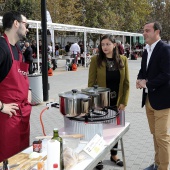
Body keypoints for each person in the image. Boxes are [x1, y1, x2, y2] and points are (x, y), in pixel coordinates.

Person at [88, 34, 130, 169]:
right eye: (102, 44)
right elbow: (91, 83)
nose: (105, 47)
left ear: (114, 45)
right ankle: (98, 157)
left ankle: (114, 155)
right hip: (101, 102)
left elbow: (126, 83)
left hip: (117, 101)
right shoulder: (96, 60)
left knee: (115, 130)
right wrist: (94, 102)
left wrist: (124, 102)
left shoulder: (123, 59)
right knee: (99, 130)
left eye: (107, 44)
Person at [136, 21, 170, 170]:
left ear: (157, 32)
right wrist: (139, 79)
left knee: (162, 137)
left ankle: (164, 167)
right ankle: (157, 164)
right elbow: (143, 70)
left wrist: (147, 84)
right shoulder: (146, 51)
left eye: (147, 30)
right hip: (149, 100)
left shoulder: (165, 49)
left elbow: (167, 74)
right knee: (155, 135)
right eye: (143, 30)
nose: (144, 33)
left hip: (163, 101)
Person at [0, 11, 32, 162]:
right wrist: (1, 107)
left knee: (21, 160)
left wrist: (29, 90)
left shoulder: (18, 49)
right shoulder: (2, 48)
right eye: (26, 24)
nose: (28, 29)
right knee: (7, 161)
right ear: (16, 23)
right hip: (6, 119)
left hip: (21, 117)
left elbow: (21, 77)